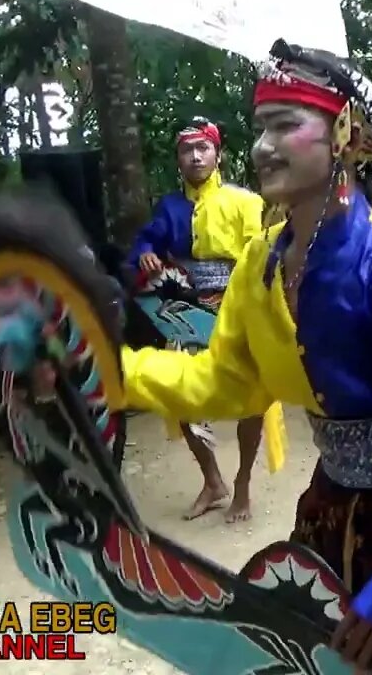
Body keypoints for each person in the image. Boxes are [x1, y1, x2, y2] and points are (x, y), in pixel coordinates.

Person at [121, 40, 372, 674]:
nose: (263, 146)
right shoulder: (261, 264)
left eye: (285, 124)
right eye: (259, 128)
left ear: (341, 132)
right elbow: (226, 382)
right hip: (328, 514)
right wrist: (112, 372)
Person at [128, 117, 274, 523]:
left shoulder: (245, 201)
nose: (195, 155)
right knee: (183, 396)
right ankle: (213, 481)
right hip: (186, 310)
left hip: (237, 304)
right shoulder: (169, 207)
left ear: (218, 153)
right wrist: (145, 253)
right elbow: (145, 240)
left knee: (252, 399)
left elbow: (260, 256)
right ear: (178, 159)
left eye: (202, 148)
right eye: (186, 150)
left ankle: (243, 481)